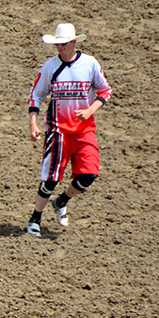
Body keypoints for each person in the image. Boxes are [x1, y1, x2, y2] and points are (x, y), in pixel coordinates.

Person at [26, 22, 112, 237]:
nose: (60, 48)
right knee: (51, 179)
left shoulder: (90, 64)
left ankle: (62, 201)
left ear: (74, 43)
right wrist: (33, 123)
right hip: (58, 131)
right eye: (58, 44)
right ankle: (35, 218)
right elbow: (36, 95)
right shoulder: (50, 67)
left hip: (84, 131)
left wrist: (90, 110)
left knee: (89, 175)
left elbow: (105, 90)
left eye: (63, 44)